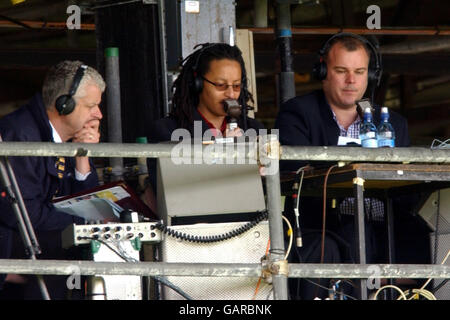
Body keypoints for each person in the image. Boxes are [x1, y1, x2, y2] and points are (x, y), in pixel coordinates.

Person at [275, 33, 429, 299]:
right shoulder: (298, 113)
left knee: (423, 234)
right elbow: (292, 166)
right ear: (323, 71)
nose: (351, 81)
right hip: (324, 228)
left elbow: (409, 191)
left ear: (371, 74)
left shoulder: (393, 122)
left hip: (385, 228)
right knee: (349, 234)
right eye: (341, 71)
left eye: (359, 71)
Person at [0, 60, 105, 299]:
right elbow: (25, 215)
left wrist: (82, 156)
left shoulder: (62, 138)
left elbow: (87, 203)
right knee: (64, 249)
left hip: (33, 234)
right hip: (12, 237)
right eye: (92, 106)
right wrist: (85, 223)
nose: (98, 114)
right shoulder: (22, 136)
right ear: (64, 105)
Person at [143, 43, 265, 211]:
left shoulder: (255, 130)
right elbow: (176, 194)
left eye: (236, 86)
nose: (231, 94)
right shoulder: (167, 131)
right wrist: (224, 155)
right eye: (221, 85)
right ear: (197, 83)